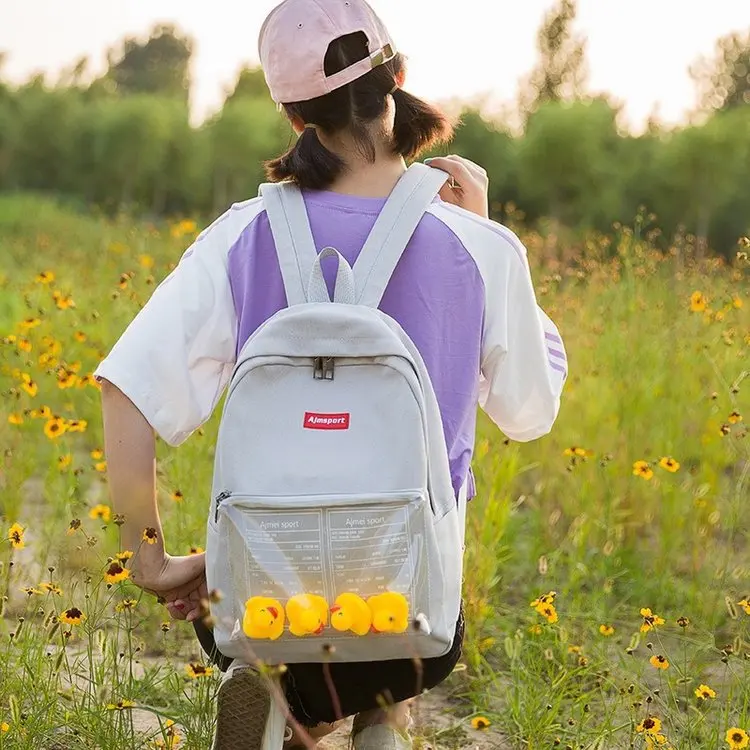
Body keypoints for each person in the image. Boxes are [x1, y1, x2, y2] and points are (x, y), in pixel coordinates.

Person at [95, 1, 568, 748]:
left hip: (258, 607)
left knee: (275, 641)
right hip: (412, 620)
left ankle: (283, 711)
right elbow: (528, 413)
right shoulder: (478, 248)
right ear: (398, 79)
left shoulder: (241, 236)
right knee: (393, 653)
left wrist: (151, 558)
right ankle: (378, 722)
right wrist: (489, 231)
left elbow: (124, 387)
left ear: (291, 113)